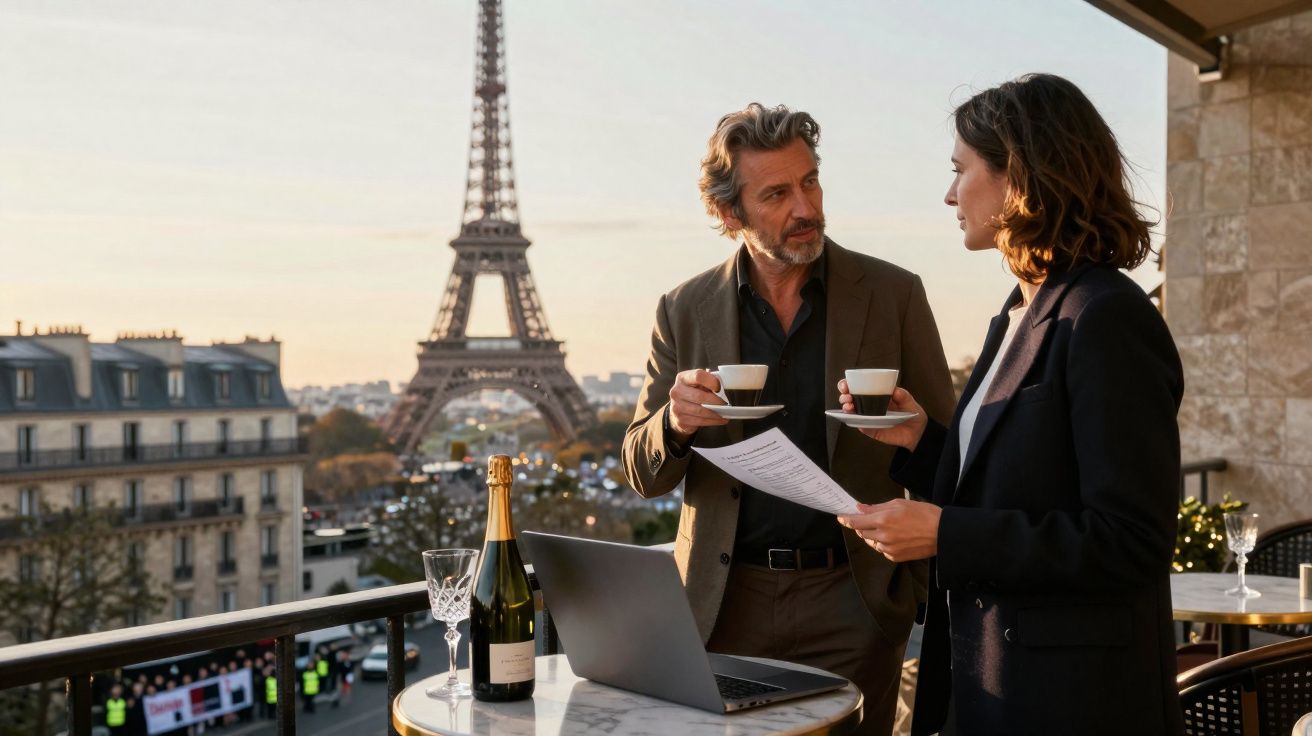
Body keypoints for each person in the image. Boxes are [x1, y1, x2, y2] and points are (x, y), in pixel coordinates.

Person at [836, 73, 1184, 735]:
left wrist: (943, 534)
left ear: (1018, 176)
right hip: (994, 682)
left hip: (1073, 704)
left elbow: (1130, 540)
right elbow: (1022, 482)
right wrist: (923, 442)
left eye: (959, 169)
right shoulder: (1019, 311)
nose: (948, 194)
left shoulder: (1105, 317)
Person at [621, 102, 955, 735]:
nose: (805, 207)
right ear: (728, 213)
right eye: (776, 193)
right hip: (725, 605)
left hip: (853, 600)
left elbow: (955, 456)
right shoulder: (683, 309)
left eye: (810, 181)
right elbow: (642, 473)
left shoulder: (894, 294)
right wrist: (675, 421)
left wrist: (904, 589)